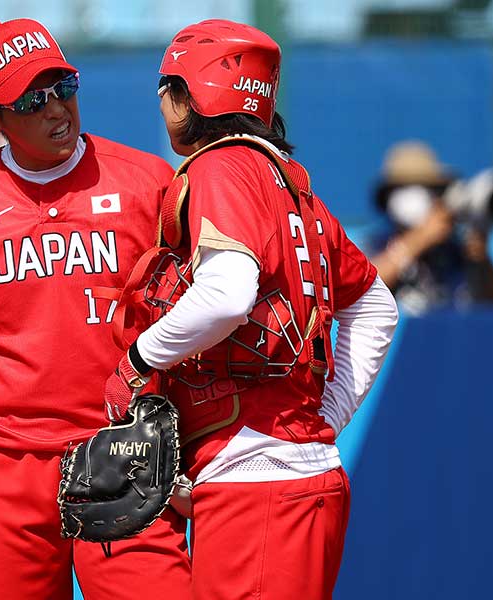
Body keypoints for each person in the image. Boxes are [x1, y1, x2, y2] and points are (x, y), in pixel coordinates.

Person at [0, 19, 191, 600]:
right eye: (30, 99)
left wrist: (197, 450)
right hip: (1, 468)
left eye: (63, 87)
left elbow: (201, 321)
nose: (57, 110)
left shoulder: (149, 184)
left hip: (124, 454)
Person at [102, 20, 399, 599]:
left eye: (167, 86)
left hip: (257, 489)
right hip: (300, 477)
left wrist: (139, 358)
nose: (162, 101)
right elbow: (376, 306)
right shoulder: (292, 186)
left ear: (193, 94)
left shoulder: (222, 166)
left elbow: (227, 293)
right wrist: (325, 421)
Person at [369, 140, 493, 315]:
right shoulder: (378, 244)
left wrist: (483, 260)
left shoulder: (455, 250)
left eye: (435, 191)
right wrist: (420, 239)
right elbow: (362, 288)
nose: (433, 200)